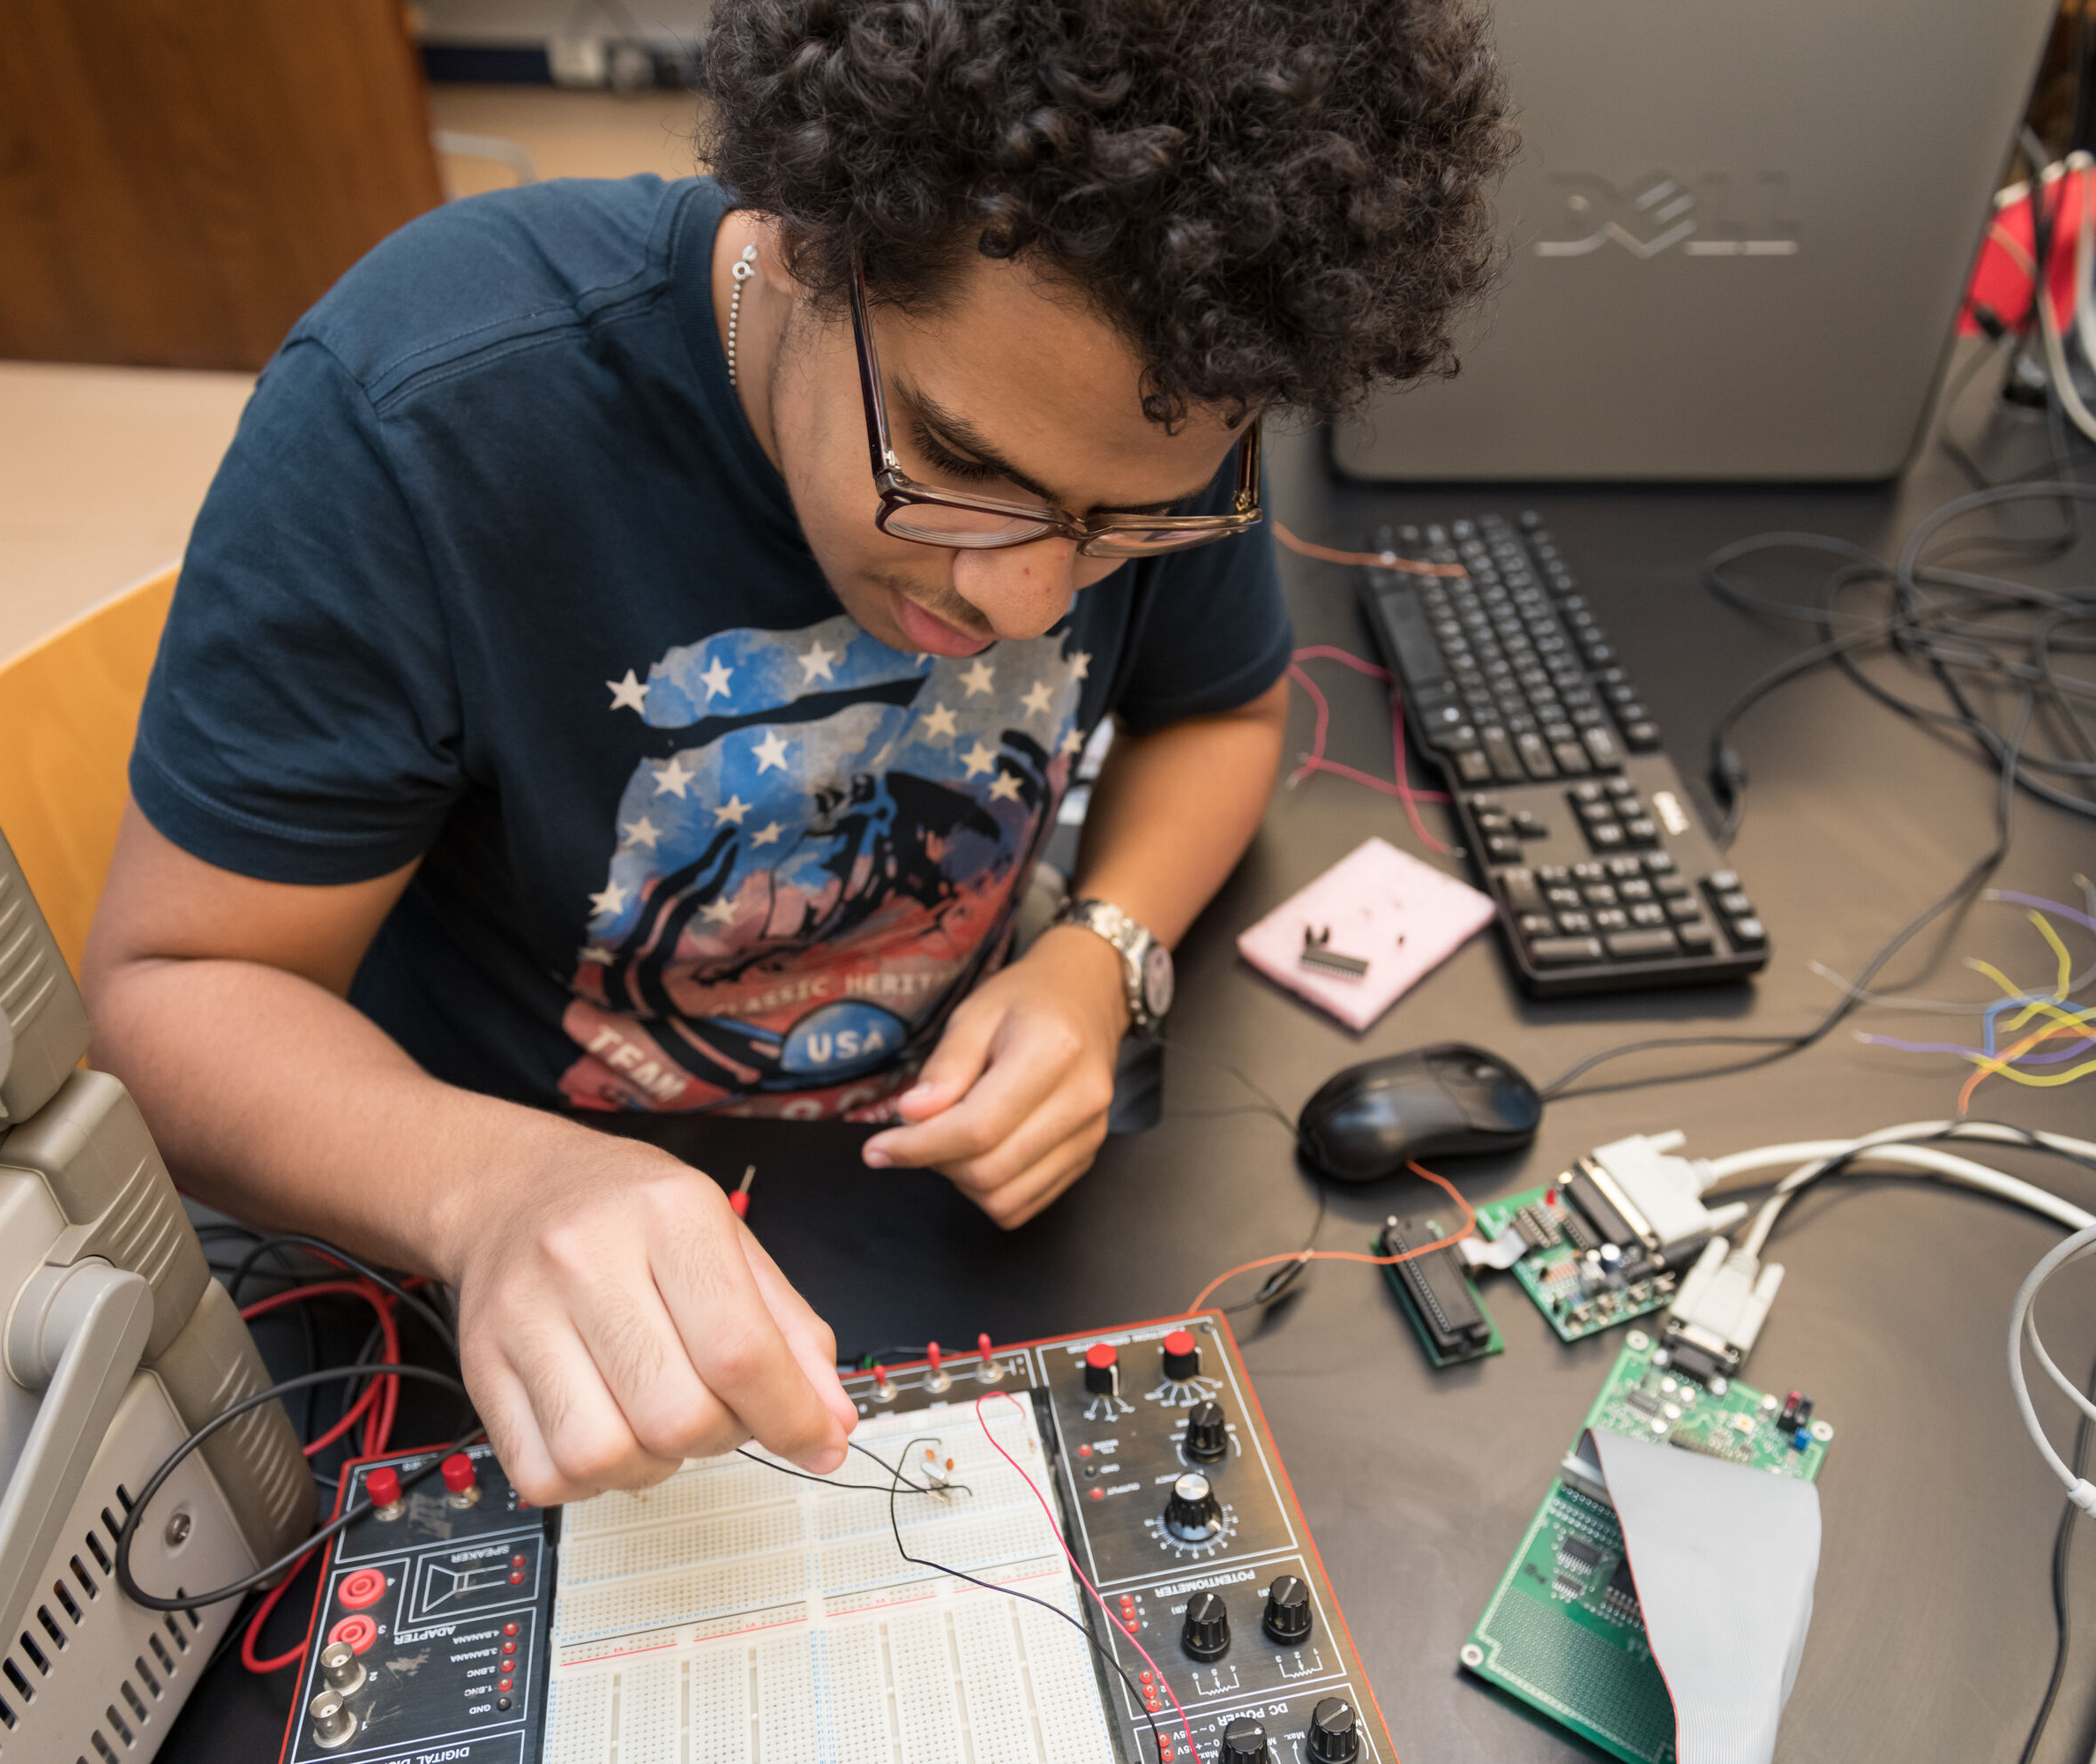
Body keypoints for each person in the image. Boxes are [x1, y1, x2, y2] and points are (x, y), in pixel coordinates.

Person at [84, 0, 1511, 1503]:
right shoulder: (425, 416)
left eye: (1122, 523)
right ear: (804, 235)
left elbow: (1219, 712)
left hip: (933, 1206)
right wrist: (488, 1187)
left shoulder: (1162, 375)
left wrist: (1098, 955)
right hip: (493, 1242)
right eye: (963, 466)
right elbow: (173, 991)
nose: (1021, 596)